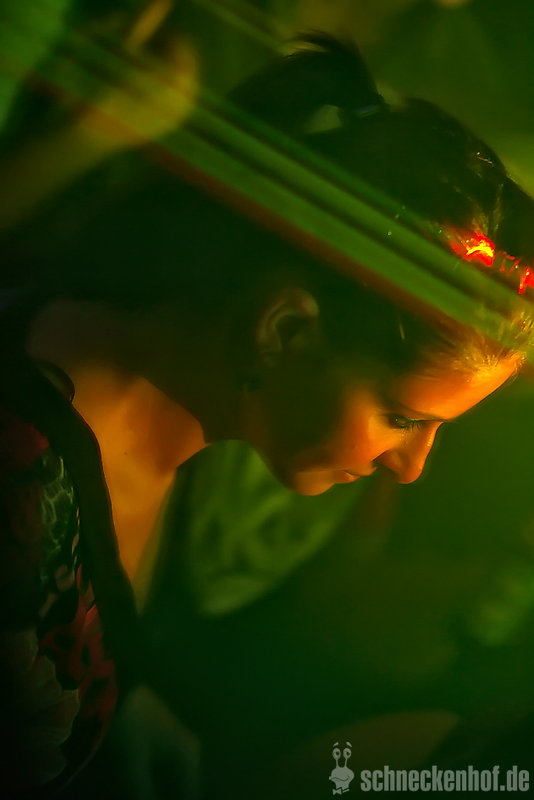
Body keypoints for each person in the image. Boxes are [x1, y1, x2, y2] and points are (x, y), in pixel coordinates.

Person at [1, 31, 533, 797]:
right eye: (404, 417)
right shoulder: (24, 490)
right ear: (285, 330)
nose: (411, 467)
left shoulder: (174, 422)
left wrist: (126, 706)